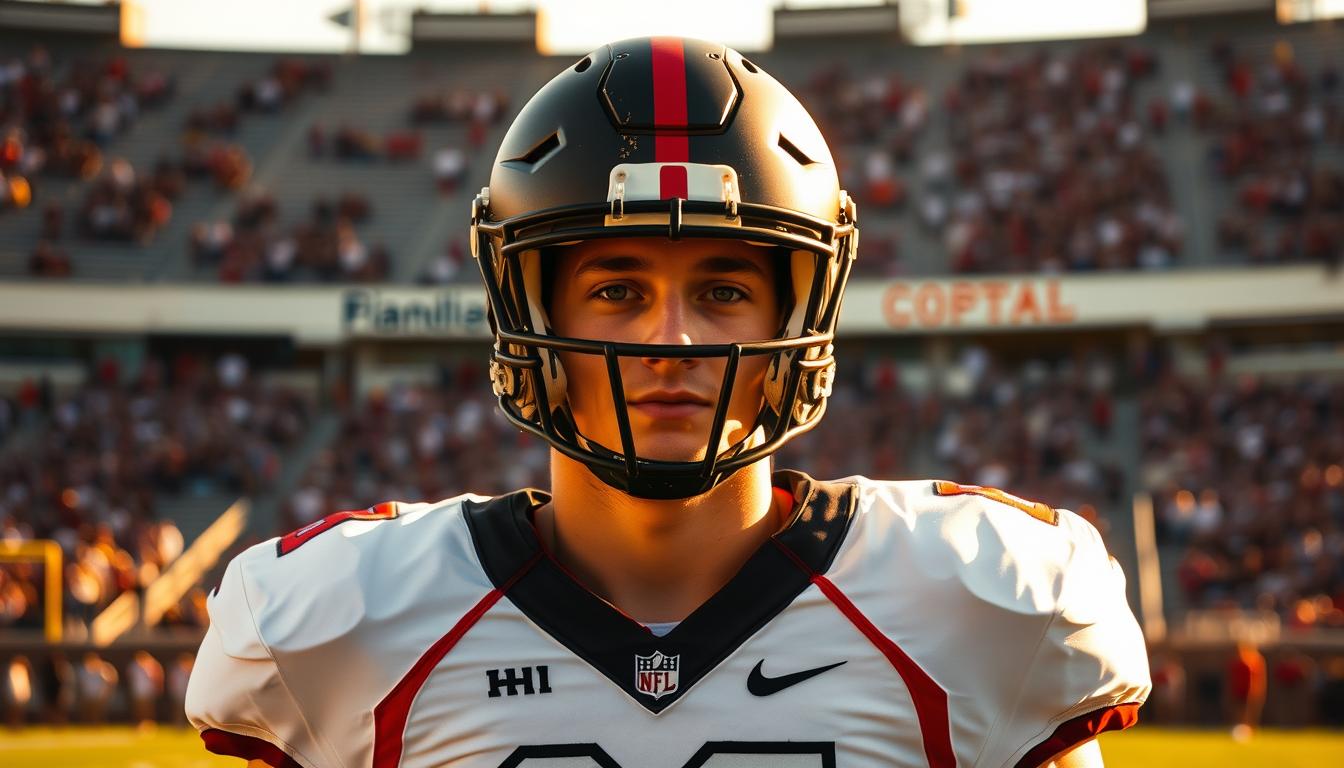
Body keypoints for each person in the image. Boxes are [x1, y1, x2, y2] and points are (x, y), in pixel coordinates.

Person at [186, 37, 1150, 767]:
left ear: (800, 315)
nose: (673, 340)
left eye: (725, 291)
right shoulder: (346, 626)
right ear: (528, 313)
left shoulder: (982, 609)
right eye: (617, 291)